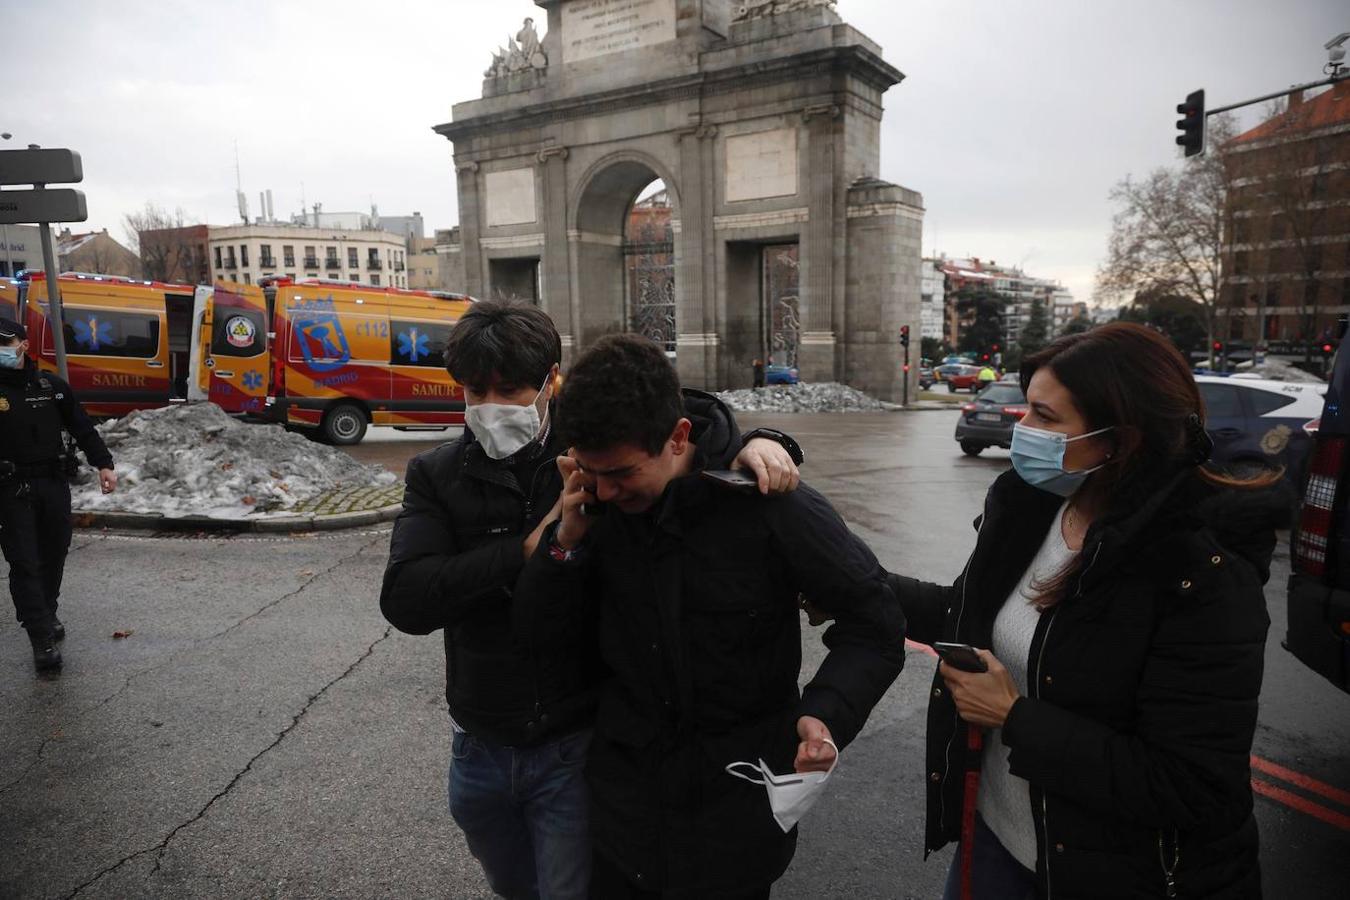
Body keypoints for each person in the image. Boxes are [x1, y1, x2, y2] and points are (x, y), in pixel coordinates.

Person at [379, 302, 802, 900]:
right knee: (512, 885)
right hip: (480, 742)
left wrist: (754, 441)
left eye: (509, 389)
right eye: (475, 391)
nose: (491, 406)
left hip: (578, 740)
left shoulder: (592, 453)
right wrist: (525, 551)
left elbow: (669, 425)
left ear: (551, 380)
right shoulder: (436, 474)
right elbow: (406, 599)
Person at [888, 322, 1273, 899]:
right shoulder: (1034, 507)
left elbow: (1192, 785)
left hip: (1113, 878)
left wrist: (1014, 717)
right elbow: (964, 614)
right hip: (994, 845)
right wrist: (850, 584)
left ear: (1121, 438)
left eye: (1044, 417)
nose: (1021, 427)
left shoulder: (1200, 570)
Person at [516, 333, 905, 899]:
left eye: (622, 473)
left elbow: (876, 622)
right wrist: (564, 545)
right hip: (622, 818)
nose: (605, 490)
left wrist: (826, 713)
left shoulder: (768, 507)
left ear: (678, 437)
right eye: (590, 471)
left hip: (734, 818)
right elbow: (540, 642)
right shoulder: (589, 507)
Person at [0, 317, 116, 673]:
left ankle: (47, 611)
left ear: (24, 345)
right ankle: (40, 637)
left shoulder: (52, 387)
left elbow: (82, 426)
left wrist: (104, 464)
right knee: (24, 562)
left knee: (53, 554)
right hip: (9, 489)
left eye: (6, 343)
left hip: (52, 483)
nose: (1, 350)